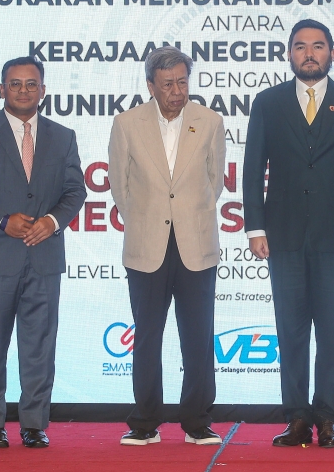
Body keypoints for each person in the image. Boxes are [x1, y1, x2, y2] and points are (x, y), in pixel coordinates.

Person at [243, 19, 334, 448]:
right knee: (291, 330)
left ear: (332, 54)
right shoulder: (267, 103)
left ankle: (327, 418)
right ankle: (297, 417)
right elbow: (252, 170)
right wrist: (255, 226)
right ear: (289, 54)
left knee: (333, 327)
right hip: (281, 233)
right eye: (300, 46)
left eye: (318, 46)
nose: (309, 53)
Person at [0, 56, 86, 448]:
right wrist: (0, 220)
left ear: (43, 90)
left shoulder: (63, 136)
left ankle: (34, 423)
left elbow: (75, 191)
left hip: (44, 256)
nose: (24, 90)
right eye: (15, 84)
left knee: (39, 343)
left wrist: (53, 221)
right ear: (1, 90)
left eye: (31, 84)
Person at [108, 46, 226, 446]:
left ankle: (197, 420)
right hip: (147, 244)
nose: (177, 91)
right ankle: (144, 421)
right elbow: (119, 187)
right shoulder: (127, 124)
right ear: (150, 86)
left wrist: (188, 216)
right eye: (168, 84)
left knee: (198, 335)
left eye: (182, 81)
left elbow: (216, 181)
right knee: (147, 336)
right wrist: (145, 217)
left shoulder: (209, 121)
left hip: (196, 243)